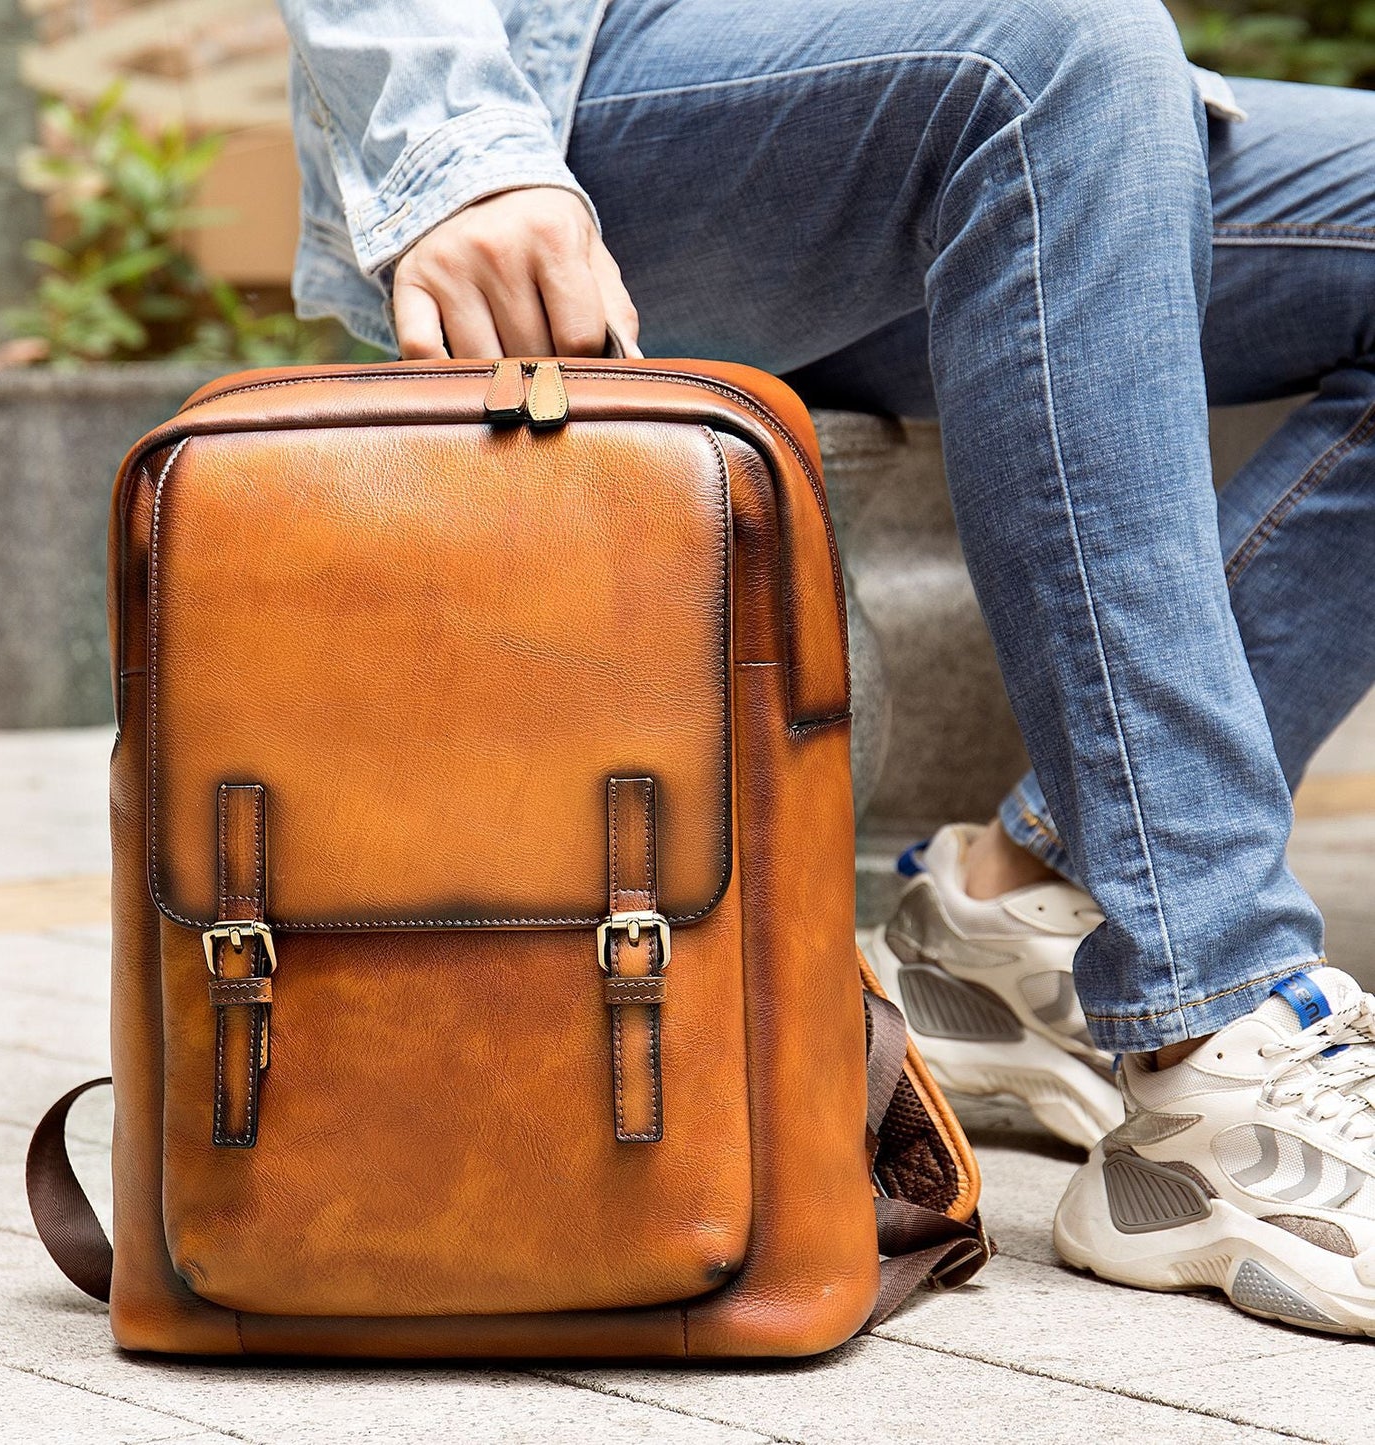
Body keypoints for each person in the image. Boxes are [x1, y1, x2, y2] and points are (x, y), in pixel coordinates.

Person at [276, 0, 1375, 1335]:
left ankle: (1018, 914)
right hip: (579, 109)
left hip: (951, 94)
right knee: (1056, 55)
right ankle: (1214, 1041)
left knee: (1074, 61)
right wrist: (453, 151)